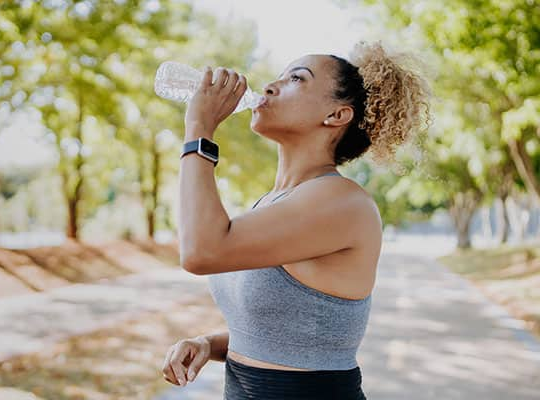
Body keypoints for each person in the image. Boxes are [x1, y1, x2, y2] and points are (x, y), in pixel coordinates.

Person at [161, 41, 430, 399]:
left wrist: (199, 129)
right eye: (278, 77)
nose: (271, 86)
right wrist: (209, 344)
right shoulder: (273, 203)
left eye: (296, 79)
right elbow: (291, 334)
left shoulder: (343, 202)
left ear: (336, 115)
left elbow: (200, 252)